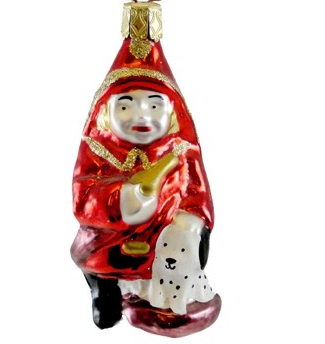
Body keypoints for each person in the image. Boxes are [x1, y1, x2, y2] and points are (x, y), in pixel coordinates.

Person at [70, 66, 216, 330]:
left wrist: (190, 222)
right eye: (125, 106)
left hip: (166, 243)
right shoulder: (97, 150)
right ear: (105, 111)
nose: (141, 116)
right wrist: (123, 200)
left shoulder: (182, 152)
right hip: (112, 241)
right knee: (96, 256)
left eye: (155, 106)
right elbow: (83, 198)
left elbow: (198, 196)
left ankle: (168, 296)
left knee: (186, 245)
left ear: (172, 112)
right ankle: (107, 291)